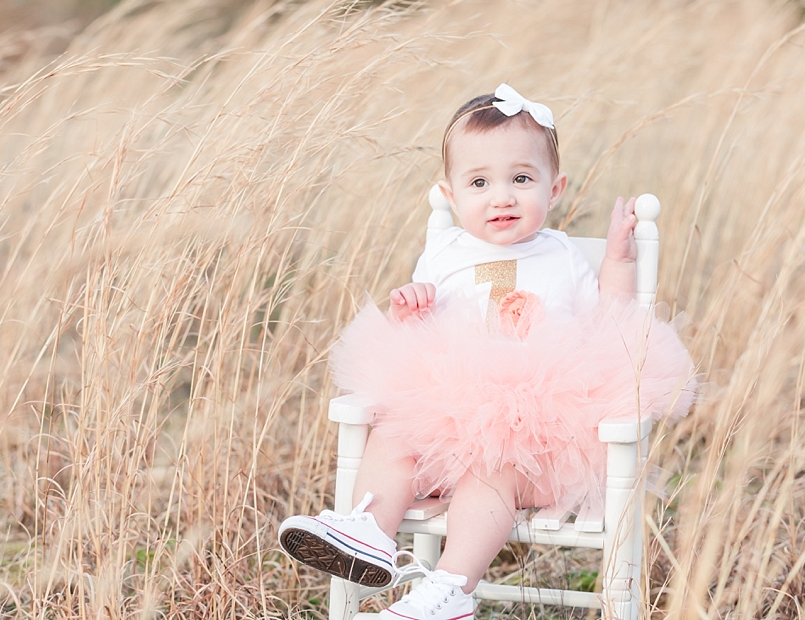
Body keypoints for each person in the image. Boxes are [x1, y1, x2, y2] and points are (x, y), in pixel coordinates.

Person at [278, 84, 696, 620]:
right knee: (394, 434)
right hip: (446, 427)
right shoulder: (444, 252)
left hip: (536, 438)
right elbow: (420, 338)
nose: (502, 197)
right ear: (451, 196)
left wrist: (618, 257)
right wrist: (411, 312)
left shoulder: (564, 255)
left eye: (522, 179)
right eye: (479, 183)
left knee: (490, 471)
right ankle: (369, 532)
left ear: (555, 188)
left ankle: (449, 589)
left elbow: (613, 318)